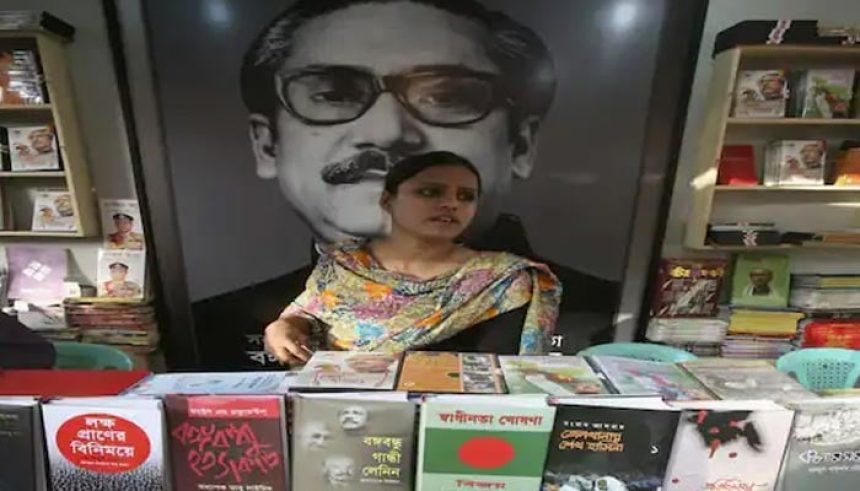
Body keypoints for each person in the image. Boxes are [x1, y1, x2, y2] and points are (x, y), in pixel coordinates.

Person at [196, 0, 617, 368]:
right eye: (332, 93)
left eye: (446, 96)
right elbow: (302, 318)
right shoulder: (337, 272)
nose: (385, 131)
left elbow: (499, 383)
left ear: (520, 145)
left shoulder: (513, 287)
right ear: (267, 143)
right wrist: (285, 326)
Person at [264, 151, 561, 365]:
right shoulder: (344, 263)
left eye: (466, 196)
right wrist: (283, 328)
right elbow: (305, 317)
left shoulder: (501, 281)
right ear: (387, 200)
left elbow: (498, 373)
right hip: (334, 416)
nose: (450, 204)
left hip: (446, 423)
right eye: (430, 192)